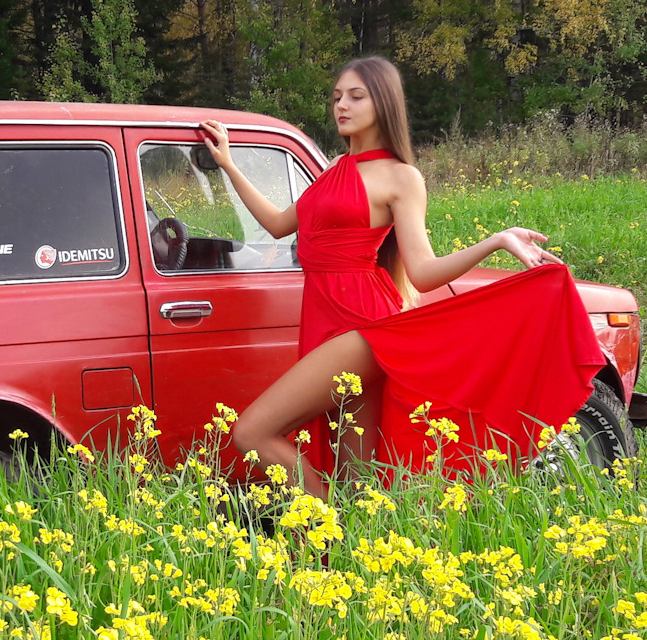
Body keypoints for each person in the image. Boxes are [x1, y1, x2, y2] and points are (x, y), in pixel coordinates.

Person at [199, 55, 601, 498]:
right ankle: (349, 552)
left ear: (384, 102)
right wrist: (230, 164)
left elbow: (424, 274)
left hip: (363, 324)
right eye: (336, 97)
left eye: (356, 96)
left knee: (251, 433)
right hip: (323, 318)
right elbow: (278, 224)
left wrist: (496, 240)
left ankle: (322, 525)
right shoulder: (335, 169)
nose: (341, 106)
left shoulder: (401, 177)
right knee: (355, 474)